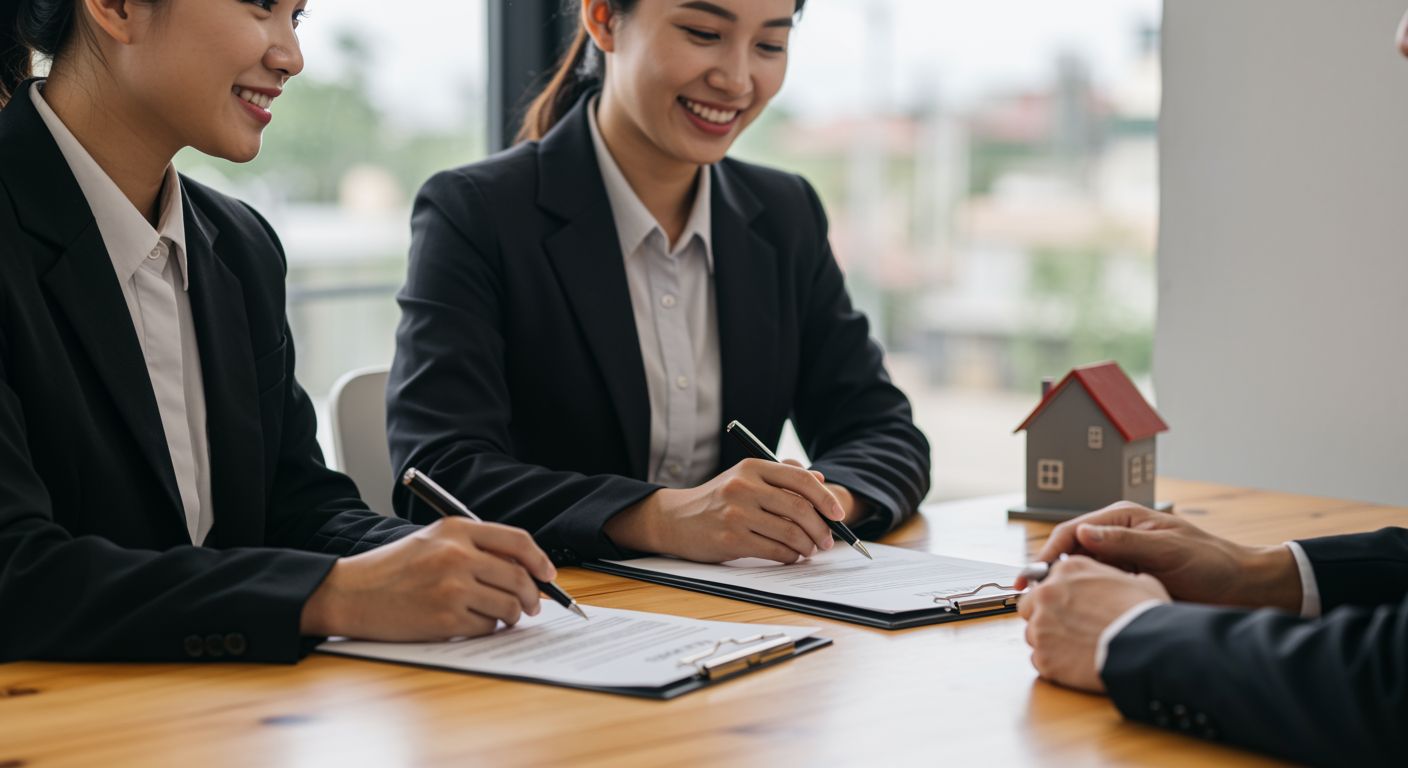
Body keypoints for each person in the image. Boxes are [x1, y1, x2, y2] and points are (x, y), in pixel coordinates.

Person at [0, 0, 557, 663]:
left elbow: (296, 506)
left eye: (297, 17)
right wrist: (334, 595)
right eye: (262, 8)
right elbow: (18, 574)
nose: (291, 56)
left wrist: (421, 559)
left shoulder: (238, 247)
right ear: (117, 8)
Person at [387, 0, 931, 568]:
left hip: (742, 620)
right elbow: (437, 473)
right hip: (556, 617)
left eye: (769, 45)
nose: (738, 79)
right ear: (602, 19)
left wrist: (814, 507)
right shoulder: (477, 212)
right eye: (703, 32)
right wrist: (662, 517)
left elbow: (883, 432)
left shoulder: (784, 213)